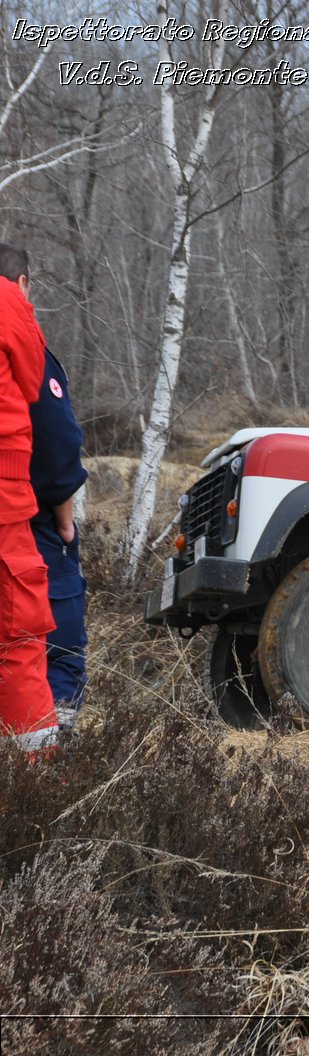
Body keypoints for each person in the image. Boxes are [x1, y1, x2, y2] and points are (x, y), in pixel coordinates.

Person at [0, 242, 55, 753]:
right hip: (4, 496)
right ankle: (34, 775)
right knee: (19, 635)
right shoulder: (7, 299)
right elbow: (34, 381)